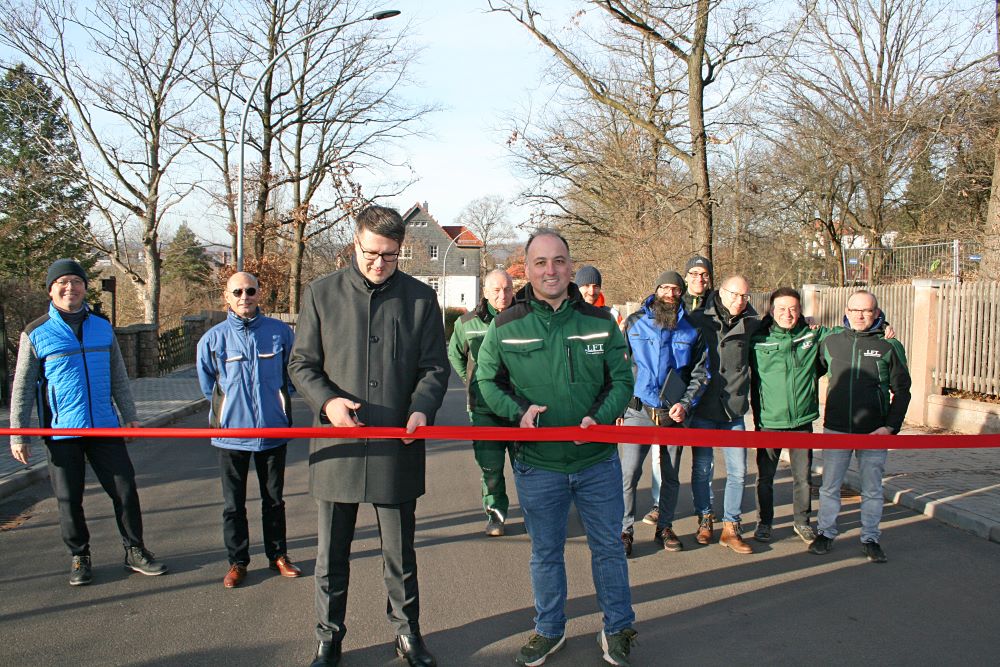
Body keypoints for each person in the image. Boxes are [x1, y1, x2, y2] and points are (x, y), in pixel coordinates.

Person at [288, 205, 449, 667]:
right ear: (354, 242)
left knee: (400, 554)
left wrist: (421, 409)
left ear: (402, 251)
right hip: (337, 445)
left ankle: (407, 633)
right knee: (330, 556)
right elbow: (302, 364)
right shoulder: (321, 294)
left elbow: (434, 368)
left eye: (391, 256)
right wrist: (328, 402)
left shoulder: (420, 299)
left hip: (396, 444)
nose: (379, 263)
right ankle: (328, 638)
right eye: (371, 253)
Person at [475, 230, 637, 667]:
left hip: (596, 461)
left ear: (570, 266)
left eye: (559, 261)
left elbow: (622, 380)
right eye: (541, 262)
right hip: (538, 465)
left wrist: (600, 419)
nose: (551, 270)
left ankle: (618, 627)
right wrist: (517, 412)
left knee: (608, 548)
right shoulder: (506, 325)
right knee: (546, 553)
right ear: (526, 269)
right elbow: (487, 380)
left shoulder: (600, 321)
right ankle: (549, 630)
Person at [8, 259, 167, 586]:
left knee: (124, 490)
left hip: (104, 426)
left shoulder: (101, 326)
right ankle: (80, 556)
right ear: (51, 289)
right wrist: (18, 434)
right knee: (69, 498)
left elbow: (118, 377)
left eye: (76, 282)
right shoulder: (36, 333)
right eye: (62, 283)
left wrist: (131, 416)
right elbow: (22, 386)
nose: (70, 288)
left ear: (84, 287)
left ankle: (135, 550)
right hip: (61, 430)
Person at [196, 271, 301, 588]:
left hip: (273, 433)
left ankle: (278, 556)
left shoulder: (280, 333)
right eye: (237, 291)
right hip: (231, 437)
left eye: (250, 290)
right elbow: (207, 386)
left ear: (259, 294)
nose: (245, 296)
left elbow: (293, 375)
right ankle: (238, 562)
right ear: (227, 297)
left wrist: (278, 402)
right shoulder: (212, 340)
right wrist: (229, 411)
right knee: (233, 505)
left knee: (274, 501)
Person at [809, 290, 911, 563]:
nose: (860, 316)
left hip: (874, 431)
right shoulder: (831, 342)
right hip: (836, 428)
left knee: (872, 489)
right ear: (846, 310)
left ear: (877, 313)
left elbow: (902, 391)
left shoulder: (889, 346)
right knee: (829, 486)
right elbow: (810, 368)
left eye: (867, 311)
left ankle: (870, 538)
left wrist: (890, 427)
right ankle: (826, 532)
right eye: (855, 310)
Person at [620, 270, 710, 556]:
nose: (670, 294)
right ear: (656, 289)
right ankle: (623, 530)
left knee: (671, 475)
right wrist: (618, 408)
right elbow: (619, 369)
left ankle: (665, 527)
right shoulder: (634, 323)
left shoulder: (692, 328)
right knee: (628, 473)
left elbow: (701, 373)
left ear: (682, 294)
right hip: (638, 411)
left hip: (673, 414)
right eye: (665, 288)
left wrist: (685, 404)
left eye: (676, 290)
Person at [688, 275, 761, 554]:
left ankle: (731, 526)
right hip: (704, 406)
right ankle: (705, 518)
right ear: (722, 292)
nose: (739, 301)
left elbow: (781, 329)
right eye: (734, 295)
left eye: (744, 296)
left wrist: (809, 321)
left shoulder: (752, 322)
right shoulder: (699, 318)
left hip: (734, 410)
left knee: (739, 471)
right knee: (702, 469)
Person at [749, 287, 824, 544]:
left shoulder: (811, 336)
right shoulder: (758, 339)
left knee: (803, 477)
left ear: (800, 310)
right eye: (781, 309)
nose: (787, 314)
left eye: (792, 308)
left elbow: (849, 334)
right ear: (772, 311)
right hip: (769, 421)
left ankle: (802, 522)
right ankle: (764, 523)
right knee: (765, 478)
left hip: (802, 421)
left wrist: (885, 326)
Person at [446, 268, 516, 536]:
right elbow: (455, 356)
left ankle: (537, 514)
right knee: (491, 468)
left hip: (520, 406)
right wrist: (472, 382)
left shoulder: (525, 318)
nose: (503, 295)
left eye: (507, 289)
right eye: (496, 290)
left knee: (529, 467)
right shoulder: (467, 323)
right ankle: (496, 515)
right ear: (485, 293)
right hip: (484, 409)